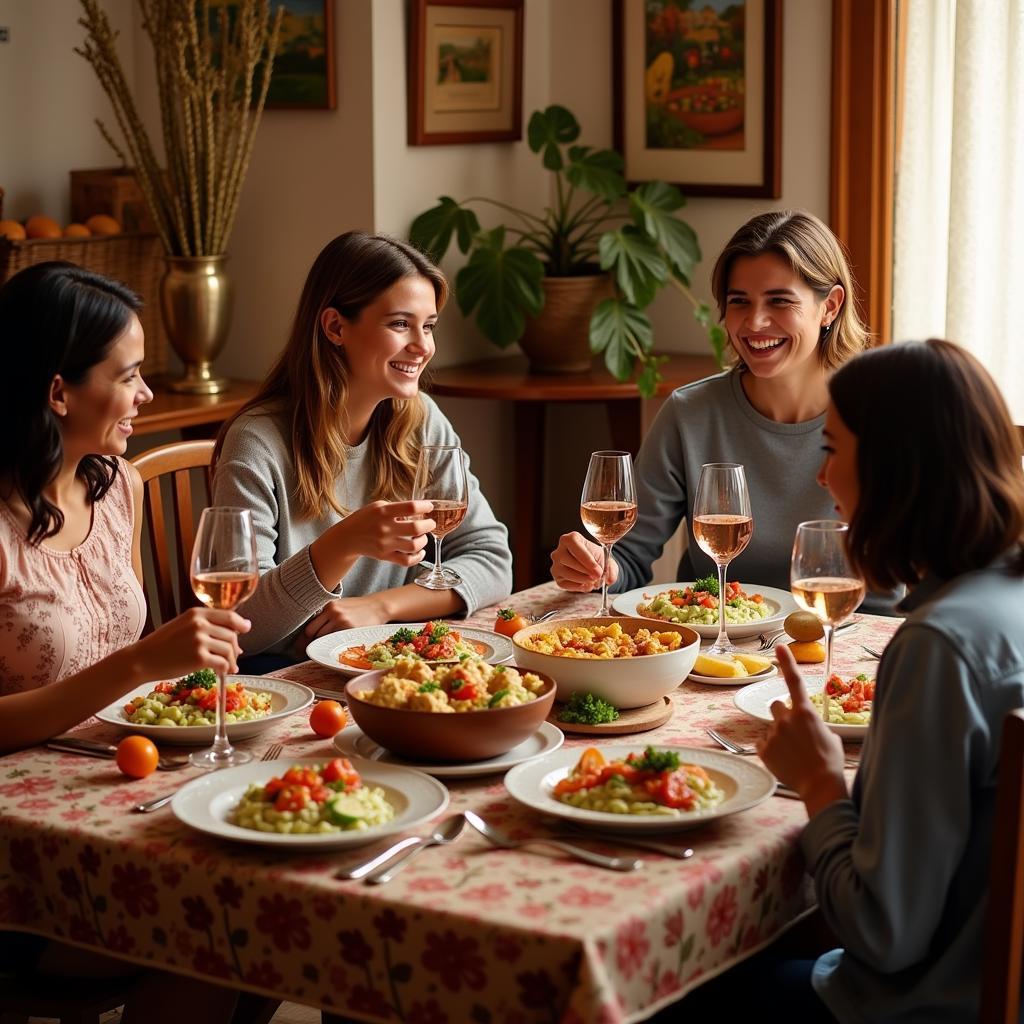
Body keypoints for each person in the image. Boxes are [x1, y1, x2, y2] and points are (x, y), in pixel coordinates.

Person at [708, 339, 1024, 1021]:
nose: (822, 478)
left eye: (830, 449)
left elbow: (883, 933)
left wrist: (822, 782)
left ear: (892, 470)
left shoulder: (942, 647)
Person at [0, 262, 252, 1021]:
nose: (147, 394)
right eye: (132, 375)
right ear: (57, 392)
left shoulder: (118, 486)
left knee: (278, 885)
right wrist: (141, 662)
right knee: (226, 928)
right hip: (24, 848)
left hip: (122, 792)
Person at [213, 231, 512, 662]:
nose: (422, 346)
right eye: (399, 324)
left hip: (385, 666)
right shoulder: (256, 443)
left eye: (427, 326)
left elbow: (492, 560)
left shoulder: (421, 421)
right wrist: (343, 543)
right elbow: (240, 625)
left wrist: (382, 606)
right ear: (336, 327)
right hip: (285, 684)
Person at [550, 209, 868, 598]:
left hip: (850, 642)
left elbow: (904, 583)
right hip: (714, 644)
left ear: (830, 306)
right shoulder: (690, 413)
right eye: (739, 302)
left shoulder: (881, 416)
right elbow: (628, 557)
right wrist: (596, 567)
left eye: (779, 301)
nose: (754, 322)